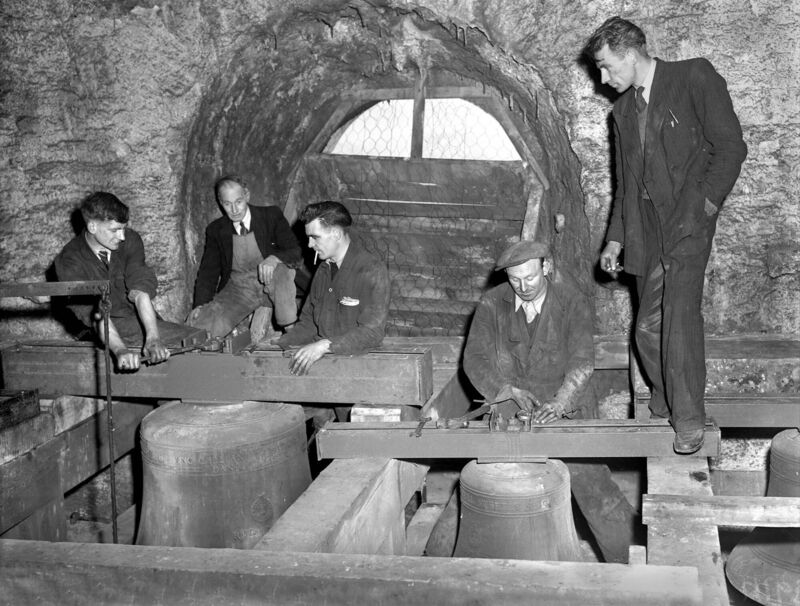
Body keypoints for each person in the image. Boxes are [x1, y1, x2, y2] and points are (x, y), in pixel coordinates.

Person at [585, 16, 747, 454]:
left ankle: (689, 419)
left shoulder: (693, 77)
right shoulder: (622, 112)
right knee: (645, 328)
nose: (603, 79)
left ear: (630, 55)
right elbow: (625, 183)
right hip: (646, 228)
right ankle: (669, 395)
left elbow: (731, 147)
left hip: (688, 221)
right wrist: (615, 238)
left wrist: (704, 206)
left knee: (678, 316)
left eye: (606, 67)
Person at [463, 240, 638, 563]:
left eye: (530, 277)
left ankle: (632, 564)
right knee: (482, 487)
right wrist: (505, 391)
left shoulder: (571, 301)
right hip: (510, 408)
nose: (523, 286)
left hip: (567, 407)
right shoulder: (491, 303)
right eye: (515, 279)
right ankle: (443, 559)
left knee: (596, 492)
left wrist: (560, 403)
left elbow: (582, 361)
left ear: (546, 267)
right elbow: (474, 360)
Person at [54, 191, 171, 371]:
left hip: (137, 318)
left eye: (123, 228)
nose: (121, 236)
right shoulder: (69, 260)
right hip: (101, 329)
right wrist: (120, 350)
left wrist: (153, 338)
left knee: (193, 340)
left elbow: (140, 290)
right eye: (115, 230)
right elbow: (95, 314)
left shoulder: (130, 240)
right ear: (92, 226)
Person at [276, 201, 390, 376]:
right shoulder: (323, 270)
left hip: (358, 365)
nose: (309, 244)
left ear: (336, 234)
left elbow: (372, 332)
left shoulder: (371, 270)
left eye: (315, 237)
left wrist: (324, 346)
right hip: (325, 362)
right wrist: (280, 344)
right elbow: (309, 322)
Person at [189, 175, 305, 341]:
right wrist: (200, 305)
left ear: (247, 196)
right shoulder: (216, 230)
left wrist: (274, 259)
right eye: (227, 204)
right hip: (239, 289)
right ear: (221, 203)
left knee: (281, 271)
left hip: (274, 284)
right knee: (200, 329)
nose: (234, 209)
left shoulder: (270, 216)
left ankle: (292, 332)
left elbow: (295, 251)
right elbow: (208, 273)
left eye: (238, 202)